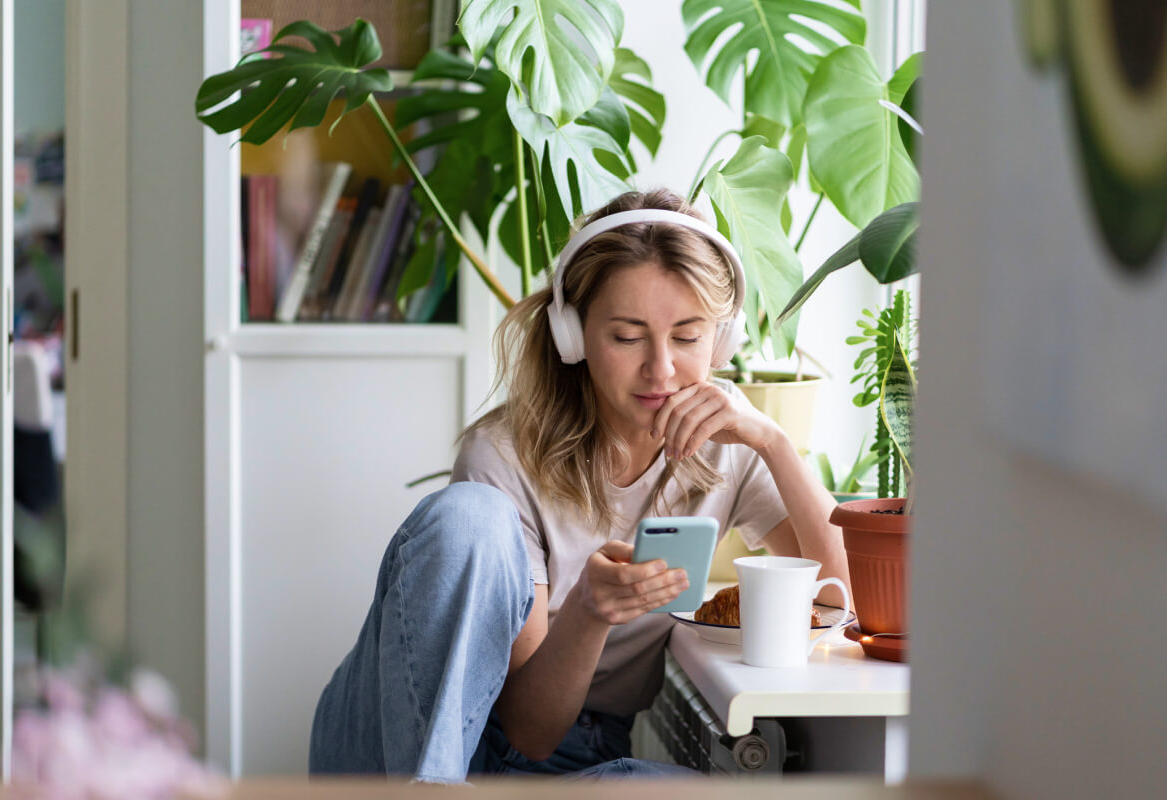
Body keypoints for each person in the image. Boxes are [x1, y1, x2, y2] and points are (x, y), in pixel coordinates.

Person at [309, 188, 851, 782]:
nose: (662, 369)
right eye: (626, 336)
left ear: (721, 342)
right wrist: (591, 612)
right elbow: (528, 729)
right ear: (574, 335)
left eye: (689, 337)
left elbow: (840, 597)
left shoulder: (728, 439)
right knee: (469, 516)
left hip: (567, 758)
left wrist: (772, 442)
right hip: (405, 744)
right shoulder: (504, 455)